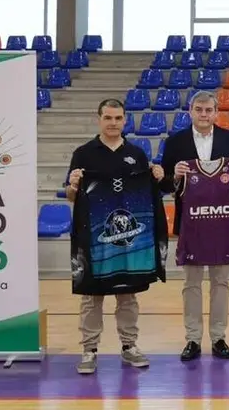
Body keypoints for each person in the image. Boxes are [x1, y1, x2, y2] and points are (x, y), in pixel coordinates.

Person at [66, 98, 165, 375]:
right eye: (108, 118)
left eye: (118, 118)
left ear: (125, 120)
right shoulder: (83, 153)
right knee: (90, 296)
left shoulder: (137, 153)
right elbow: (73, 196)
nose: (113, 123)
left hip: (128, 240)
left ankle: (129, 346)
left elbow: (149, 193)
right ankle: (89, 348)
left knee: (128, 295)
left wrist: (156, 176)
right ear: (99, 119)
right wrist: (73, 185)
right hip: (94, 239)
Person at [159, 91, 229, 362]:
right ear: (190, 111)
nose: (204, 114)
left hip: (223, 222)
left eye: (209, 110)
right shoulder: (176, 142)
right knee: (192, 284)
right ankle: (193, 338)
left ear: (216, 112)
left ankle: (219, 337)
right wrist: (174, 176)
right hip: (191, 223)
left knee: (221, 282)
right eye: (199, 109)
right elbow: (164, 183)